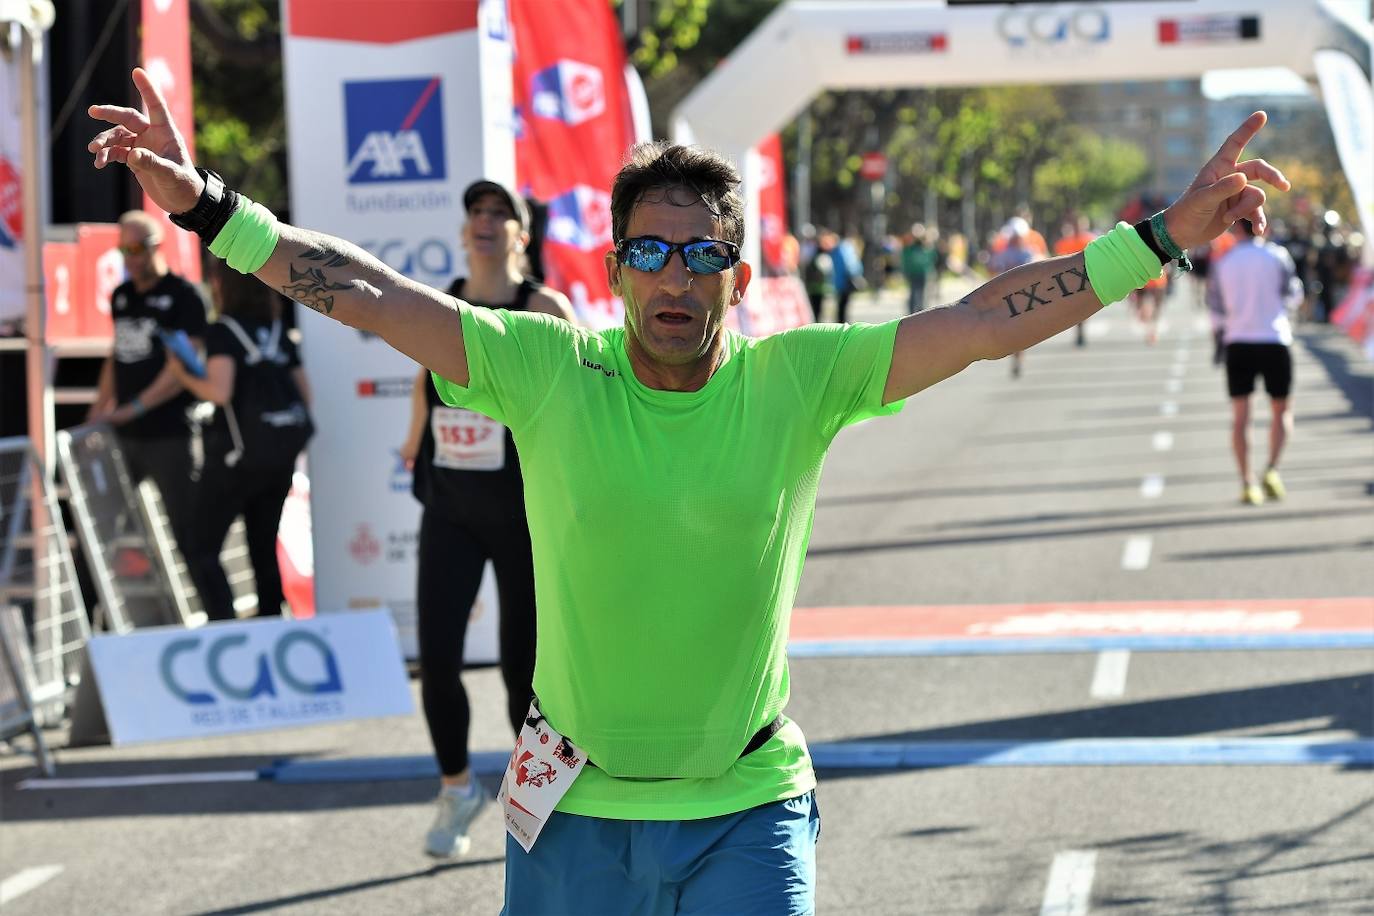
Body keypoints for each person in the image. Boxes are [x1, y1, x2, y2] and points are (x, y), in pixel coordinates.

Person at [89, 69, 1286, 913]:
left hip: (749, 809)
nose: (676, 275)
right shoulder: (545, 367)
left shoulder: (800, 378)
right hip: (570, 819)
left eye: (702, 252)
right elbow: (358, 286)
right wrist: (207, 207)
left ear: (738, 273)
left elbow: (981, 320)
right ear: (611, 271)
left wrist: (1166, 233)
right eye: (651, 252)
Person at [397, 179, 575, 859]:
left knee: (521, 673)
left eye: (501, 213)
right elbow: (426, 380)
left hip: (522, 516)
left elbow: (581, 395)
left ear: (522, 235)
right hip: (449, 507)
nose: (485, 221)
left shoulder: (544, 306)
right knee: (437, 659)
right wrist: (414, 435)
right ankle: (456, 788)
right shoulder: (446, 302)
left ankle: (538, 801)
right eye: (476, 212)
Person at [165, 260, 312, 620]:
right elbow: (305, 394)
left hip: (235, 459)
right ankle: (269, 622)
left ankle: (226, 626)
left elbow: (219, 391)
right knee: (262, 546)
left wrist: (181, 374)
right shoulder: (277, 328)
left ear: (222, 285)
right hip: (278, 458)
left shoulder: (224, 331)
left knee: (200, 546)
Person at [88, 210, 208, 565]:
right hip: (124, 436)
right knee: (102, 530)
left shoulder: (185, 295)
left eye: (137, 249)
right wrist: (100, 408)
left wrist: (135, 407)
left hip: (170, 434)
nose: (131, 258)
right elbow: (117, 353)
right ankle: (97, 616)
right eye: (124, 250)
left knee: (189, 536)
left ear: (156, 246)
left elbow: (183, 368)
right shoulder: (122, 295)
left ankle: (218, 617)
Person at [1207, 218, 1303, 506]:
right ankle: (1272, 469)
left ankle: (1247, 482)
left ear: (1235, 229)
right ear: (1263, 227)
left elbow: (1215, 310)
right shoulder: (1277, 256)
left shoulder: (1224, 262)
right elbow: (1294, 295)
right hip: (1274, 339)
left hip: (1238, 341)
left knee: (1240, 417)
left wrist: (1219, 342)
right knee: (1281, 410)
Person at [989, 217, 1039, 378]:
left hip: (1024, 297)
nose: (1015, 239)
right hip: (1005, 298)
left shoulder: (1029, 253)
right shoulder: (1003, 253)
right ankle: (1015, 355)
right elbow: (993, 270)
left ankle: (1018, 358)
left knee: (1020, 331)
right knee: (1011, 330)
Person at [1054, 217, 1097, 346]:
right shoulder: (1065, 241)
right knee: (1075, 306)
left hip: (1088, 277)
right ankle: (1079, 330)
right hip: (1070, 279)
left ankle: (1081, 330)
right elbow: (1059, 259)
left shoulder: (1091, 239)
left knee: (1084, 306)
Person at [901, 223, 939, 315]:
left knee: (922, 292)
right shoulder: (910, 248)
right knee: (914, 291)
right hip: (913, 272)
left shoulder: (926, 248)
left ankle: (920, 311)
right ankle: (912, 310)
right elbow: (906, 259)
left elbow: (932, 258)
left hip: (923, 273)